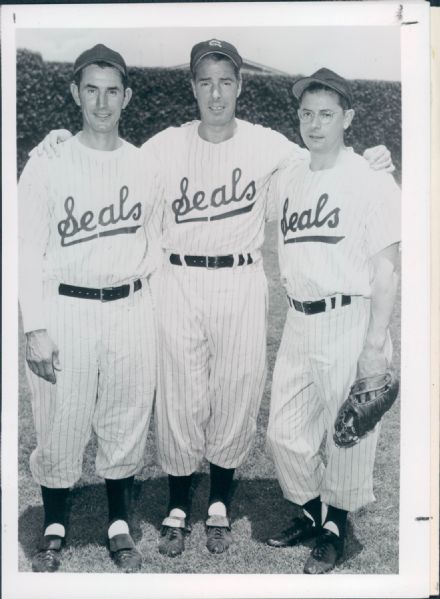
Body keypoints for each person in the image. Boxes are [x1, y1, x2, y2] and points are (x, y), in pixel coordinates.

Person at [31, 40, 393, 559]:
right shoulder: (162, 146)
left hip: (241, 279)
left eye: (226, 80)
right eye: (205, 80)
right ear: (194, 86)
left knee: (239, 389)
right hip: (177, 279)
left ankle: (219, 502)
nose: (216, 91)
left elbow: (324, 156)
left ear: (241, 86)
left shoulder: (269, 145)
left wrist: (369, 155)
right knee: (179, 393)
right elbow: (108, 156)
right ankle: (178, 505)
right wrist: (56, 138)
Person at [18, 44, 158, 573]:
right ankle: (54, 521)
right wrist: (36, 327)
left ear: (127, 97)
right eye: (91, 89)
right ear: (76, 93)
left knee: (126, 414)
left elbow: (159, 241)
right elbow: (26, 248)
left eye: (112, 90)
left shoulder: (145, 166)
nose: (102, 102)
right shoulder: (49, 161)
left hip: (129, 305)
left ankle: (118, 522)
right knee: (60, 418)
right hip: (67, 304)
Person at [265, 68, 400, 574]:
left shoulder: (371, 179)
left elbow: (386, 269)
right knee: (283, 433)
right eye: (306, 114)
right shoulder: (289, 174)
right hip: (300, 320)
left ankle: (336, 527)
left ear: (348, 118)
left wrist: (375, 343)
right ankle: (309, 508)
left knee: (349, 436)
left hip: (349, 316)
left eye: (326, 114)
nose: (315, 124)